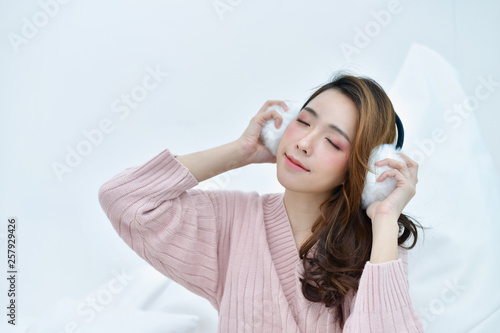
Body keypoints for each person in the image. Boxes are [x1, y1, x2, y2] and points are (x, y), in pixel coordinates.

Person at [98, 72, 425, 332]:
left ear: (361, 171)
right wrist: (238, 153)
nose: (304, 143)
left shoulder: (374, 250)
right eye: (304, 122)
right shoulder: (233, 220)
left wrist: (384, 217)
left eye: (332, 141)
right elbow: (124, 198)